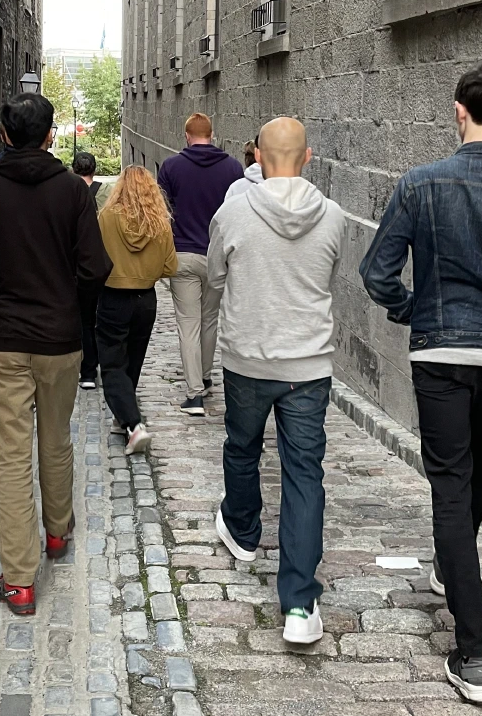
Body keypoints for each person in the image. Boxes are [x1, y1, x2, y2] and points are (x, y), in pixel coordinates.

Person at [360, 60, 482, 704]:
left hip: (442, 351)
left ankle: (475, 655)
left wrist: (417, 308)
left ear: (458, 111)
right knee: (479, 474)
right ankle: (453, 569)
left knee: (452, 484)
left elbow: (378, 272)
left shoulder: (422, 183)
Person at [0, 93, 112, 617]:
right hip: (59, 339)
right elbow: (96, 268)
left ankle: (18, 580)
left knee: (13, 457)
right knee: (56, 438)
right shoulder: (73, 194)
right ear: (49, 135)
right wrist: (65, 298)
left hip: (5, 338)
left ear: (4, 136)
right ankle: (57, 532)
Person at [208, 117, 344, 646]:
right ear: (308, 157)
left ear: (259, 159)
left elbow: (216, 277)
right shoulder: (331, 216)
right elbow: (328, 276)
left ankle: (242, 532)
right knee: (304, 473)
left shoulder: (234, 210)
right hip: (308, 364)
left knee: (242, 448)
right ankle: (300, 604)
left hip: (249, 357)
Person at [158, 113, 243, 417]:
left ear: (186, 136)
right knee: (210, 321)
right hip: (217, 256)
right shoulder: (233, 168)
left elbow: (162, 212)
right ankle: (205, 377)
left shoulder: (171, 167)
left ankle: (194, 395)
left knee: (187, 324)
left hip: (183, 255)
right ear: (213, 134)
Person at [96, 166, 178, 455]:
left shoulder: (106, 217)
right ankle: (125, 418)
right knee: (133, 359)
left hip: (113, 295)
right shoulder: (160, 222)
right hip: (146, 299)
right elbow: (171, 266)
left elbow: (95, 257)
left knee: (112, 362)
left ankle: (133, 423)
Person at [72, 151, 113, 390]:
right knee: (98, 318)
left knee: (82, 319)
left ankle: (86, 369)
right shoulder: (106, 193)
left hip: (75, 262)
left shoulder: (67, 191)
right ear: (94, 170)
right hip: (99, 260)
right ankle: (98, 366)